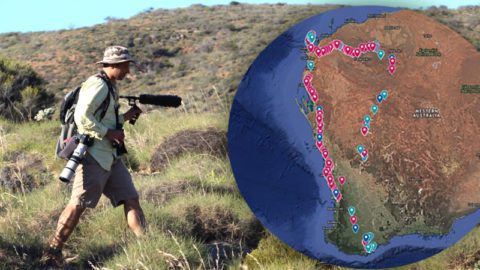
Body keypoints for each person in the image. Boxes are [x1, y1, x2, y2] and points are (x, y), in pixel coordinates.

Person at [42, 46, 146, 267]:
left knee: (130, 198)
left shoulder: (110, 86)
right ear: (115, 65)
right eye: (126, 65)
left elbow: (104, 118)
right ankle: (52, 252)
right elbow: (83, 118)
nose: (128, 70)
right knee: (78, 204)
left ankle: (147, 245)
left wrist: (125, 117)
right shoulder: (98, 85)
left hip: (111, 156)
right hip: (93, 156)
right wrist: (110, 133)